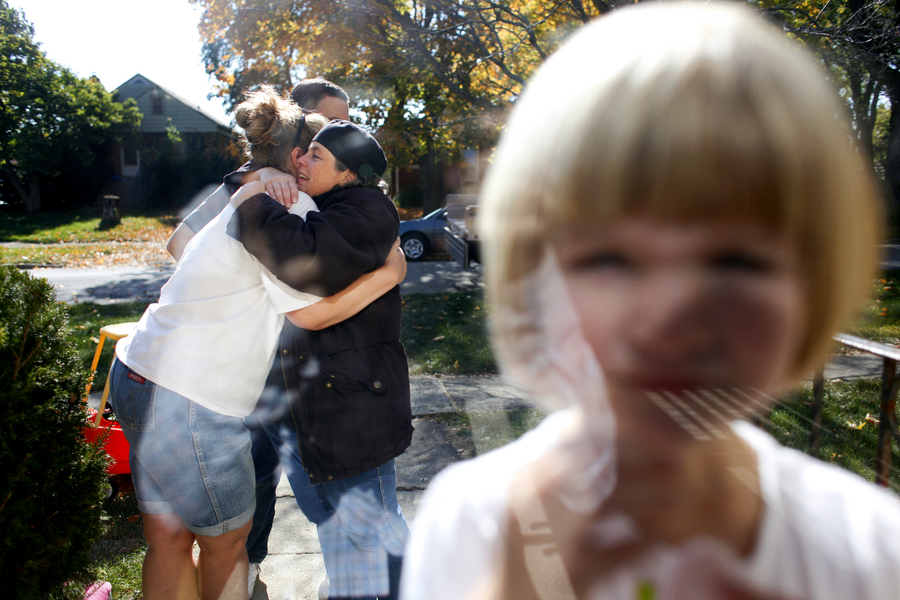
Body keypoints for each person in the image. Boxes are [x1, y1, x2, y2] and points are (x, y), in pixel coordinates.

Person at [399, 3, 900, 600]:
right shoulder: (473, 524)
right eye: (608, 259)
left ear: (816, 286)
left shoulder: (867, 550)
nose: (668, 316)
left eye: (735, 261)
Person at [110, 90, 405, 600]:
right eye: (314, 147)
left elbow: (182, 244)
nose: (318, 156)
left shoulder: (244, 192)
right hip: (193, 395)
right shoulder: (287, 206)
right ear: (296, 158)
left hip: (137, 367)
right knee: (226, 543)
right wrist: (389, 273)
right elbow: (313, 314)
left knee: (167, 536)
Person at [166, 77, 353, 594]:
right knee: (262, 470)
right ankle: (244, 571)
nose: (342, 130)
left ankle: (250, 568)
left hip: (287, 360)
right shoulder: (252, 185)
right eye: (332, 122)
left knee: (261, 473)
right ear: (305, 138)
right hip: (262, 363)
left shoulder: (314, 189)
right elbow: (180, 243)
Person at [230, 119, 412, 599]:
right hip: (307, 406)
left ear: (348, 174)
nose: (301, 162)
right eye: (303, 152)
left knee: (377, 530)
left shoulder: (369, 211)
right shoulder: (326, 203)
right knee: (333, 522)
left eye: (315, 156)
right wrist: (258, 181)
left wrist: (252, 202)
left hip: (351, 411)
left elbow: (302, 259)